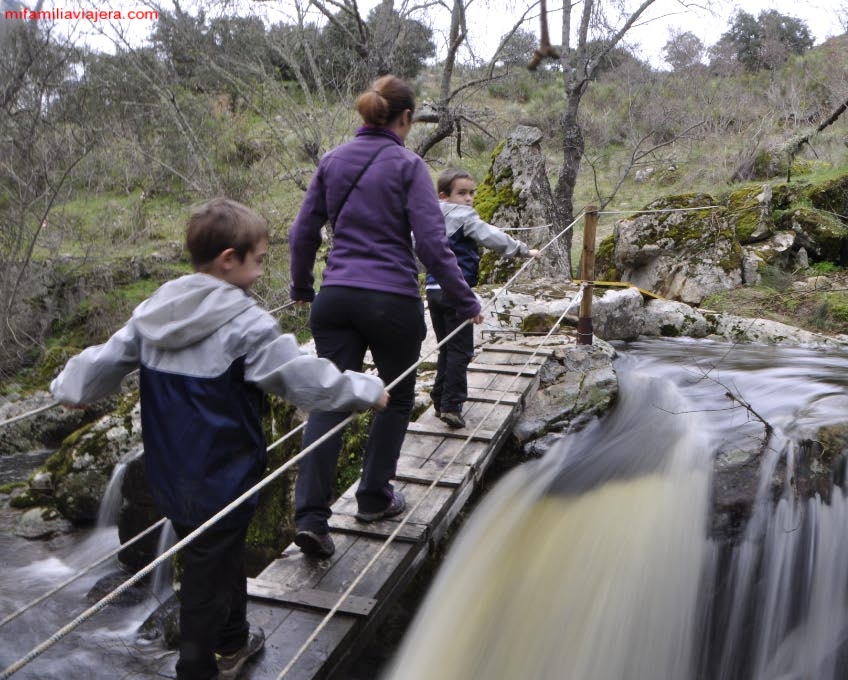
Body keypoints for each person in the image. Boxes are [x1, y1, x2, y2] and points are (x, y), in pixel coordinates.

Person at [50, 198, 387, 680]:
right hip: (225, 475)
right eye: (260, 259)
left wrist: (69, 390)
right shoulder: (245, 324)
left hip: (171, 472)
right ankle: (196, 667)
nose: (262, 269)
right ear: (230, 259)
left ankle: (233, 641)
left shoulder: (154, 311)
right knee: (207, 574)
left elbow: (106, 359)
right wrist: (365, 388)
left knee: (217, 555)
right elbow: (299, 377)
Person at [288, 75, 482, 556]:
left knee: (331, 400)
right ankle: (374, 497)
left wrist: (302, 288)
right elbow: (435, 247)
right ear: (406, 119)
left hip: (335, 298)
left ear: (365, 114)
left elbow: (302, 233)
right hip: (392, 300)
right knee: (392, 398)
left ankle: (311, 517)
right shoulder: (409, 165)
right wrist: (465, 300)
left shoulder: (331, 161)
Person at [427, 168, 540, 429]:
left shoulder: (428, 217)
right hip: (457, 290)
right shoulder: (464, 216)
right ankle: (451, 405)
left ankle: (438, 399)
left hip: (433, 290)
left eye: (471, 193)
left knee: (446, 347)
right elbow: (492, 237)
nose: (469, 199)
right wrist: (523, 250)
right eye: (462, 193)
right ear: (444, 196)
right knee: (461, 350)